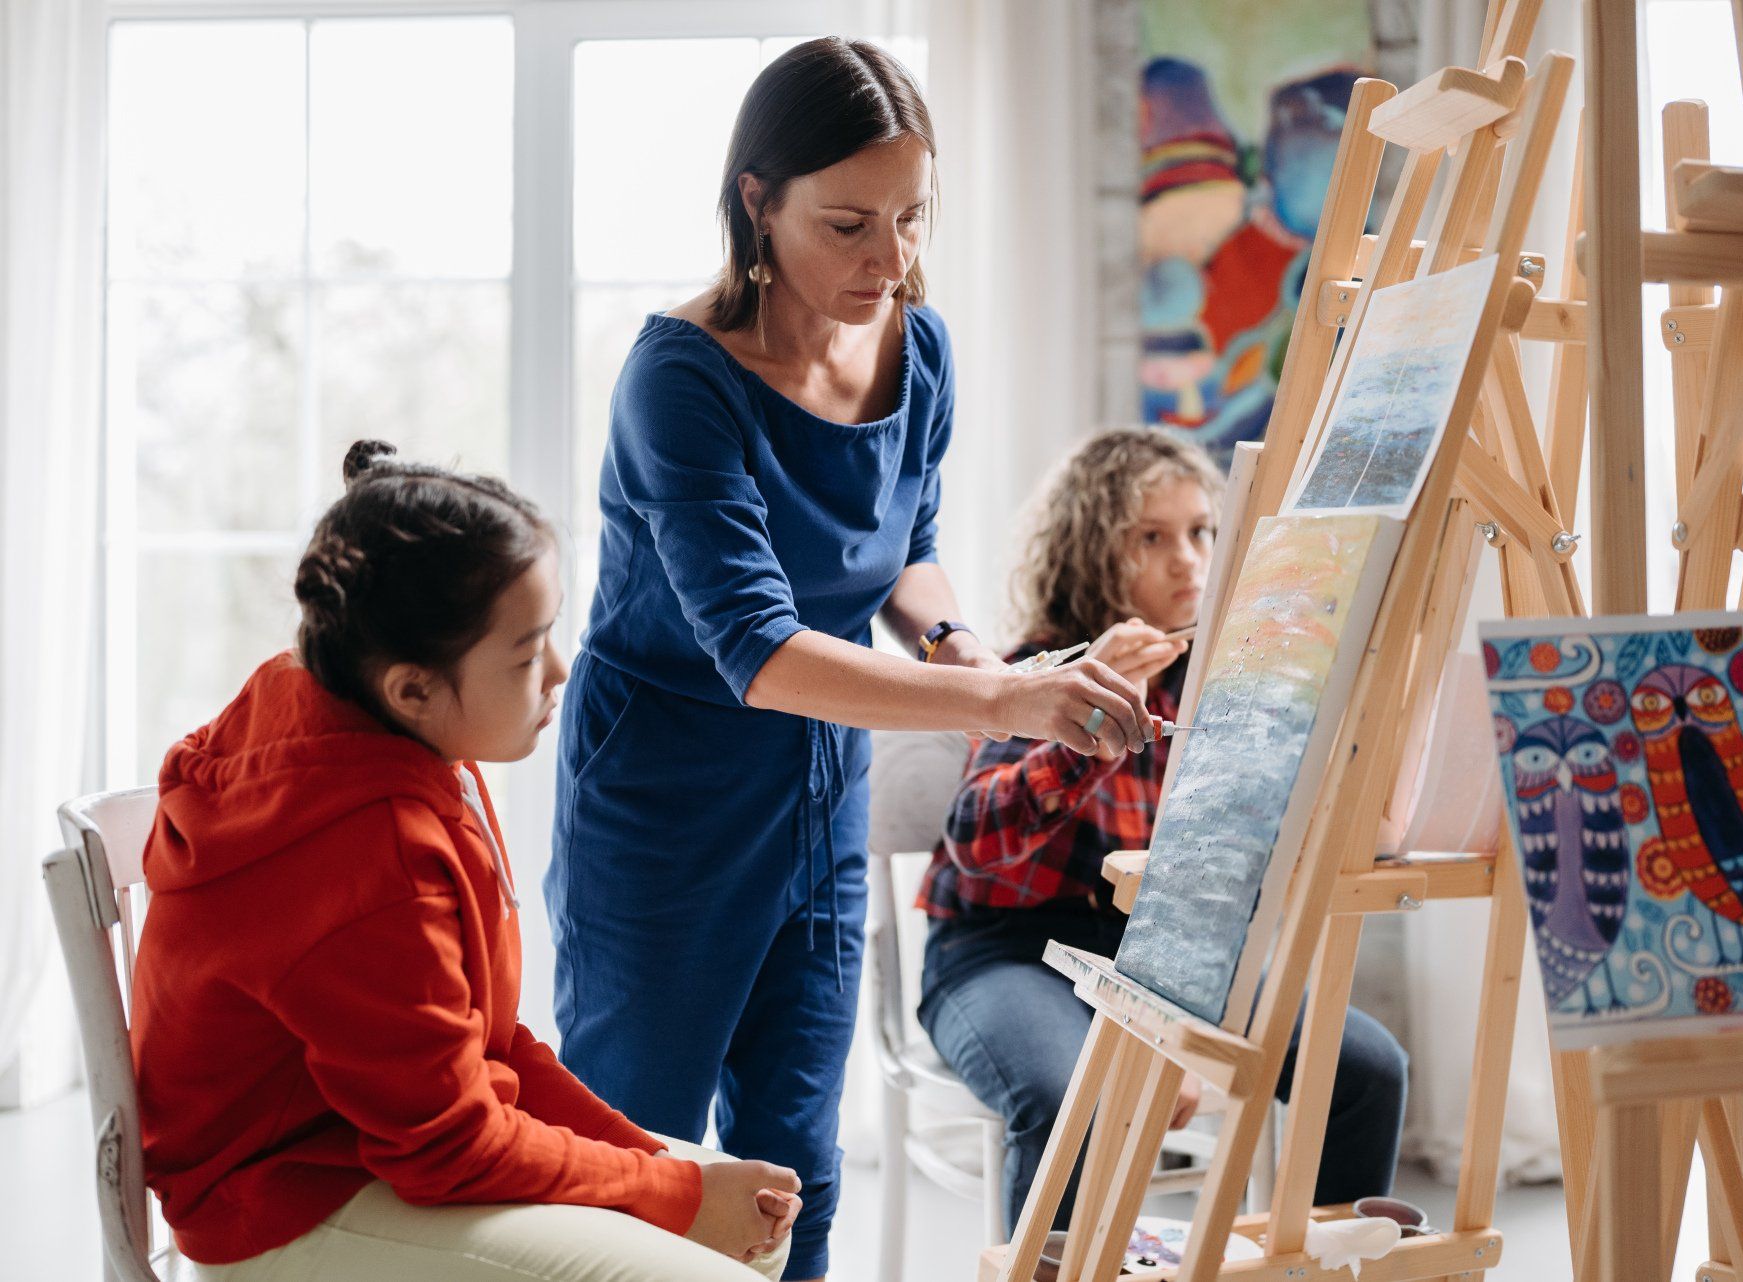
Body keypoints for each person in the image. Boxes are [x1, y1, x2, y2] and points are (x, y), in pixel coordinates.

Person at [547, 38, 1152, 1282]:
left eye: (912, 218)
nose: (892, 260)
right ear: (755, 202)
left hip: (818, 790)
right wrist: (1006, 691)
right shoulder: (680, 379)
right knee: (633, 1155)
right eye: (850, 224)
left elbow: (904, 550)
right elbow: (758, 649)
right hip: (663, 798)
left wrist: (958, 640)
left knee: (795, 1173)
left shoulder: (916, 349)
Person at [131, 441, 800, 1282]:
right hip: (283, 1200)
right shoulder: (368, 849)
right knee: (717, 1260)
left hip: (371, 1138)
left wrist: (674, 1176)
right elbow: (447, 1146)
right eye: (526, 653)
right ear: (411, 687)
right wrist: (673, 1192)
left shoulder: (374, 718)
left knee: (743, 1223)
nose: (562, 670)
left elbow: (489, 1044)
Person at [916, 429, 1411, 1231]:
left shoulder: (1230, 681)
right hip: (1003, 953)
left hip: (1162, 955)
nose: (1188, 560)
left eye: (1201, 531)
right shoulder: (1035, 669)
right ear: (1090, 549)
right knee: (1065, 1098)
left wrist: (1163, 1016)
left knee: (1365, 1072)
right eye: (1152, 537)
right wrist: (1087, 723)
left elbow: (1235, 872)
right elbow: (976, 850)